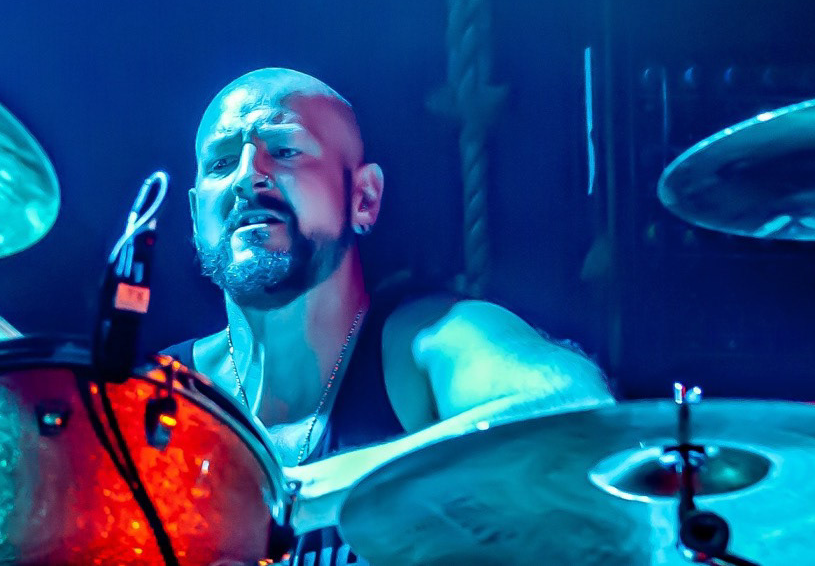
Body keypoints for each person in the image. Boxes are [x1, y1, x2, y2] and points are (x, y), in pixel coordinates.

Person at [162, 67, 614, 565]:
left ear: (364, 198)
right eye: (222, 162)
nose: (247, 176)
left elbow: (575, 410)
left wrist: (293, 500)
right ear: (195, 214)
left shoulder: (428, 342)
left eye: (285, 150)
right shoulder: (153, 396)